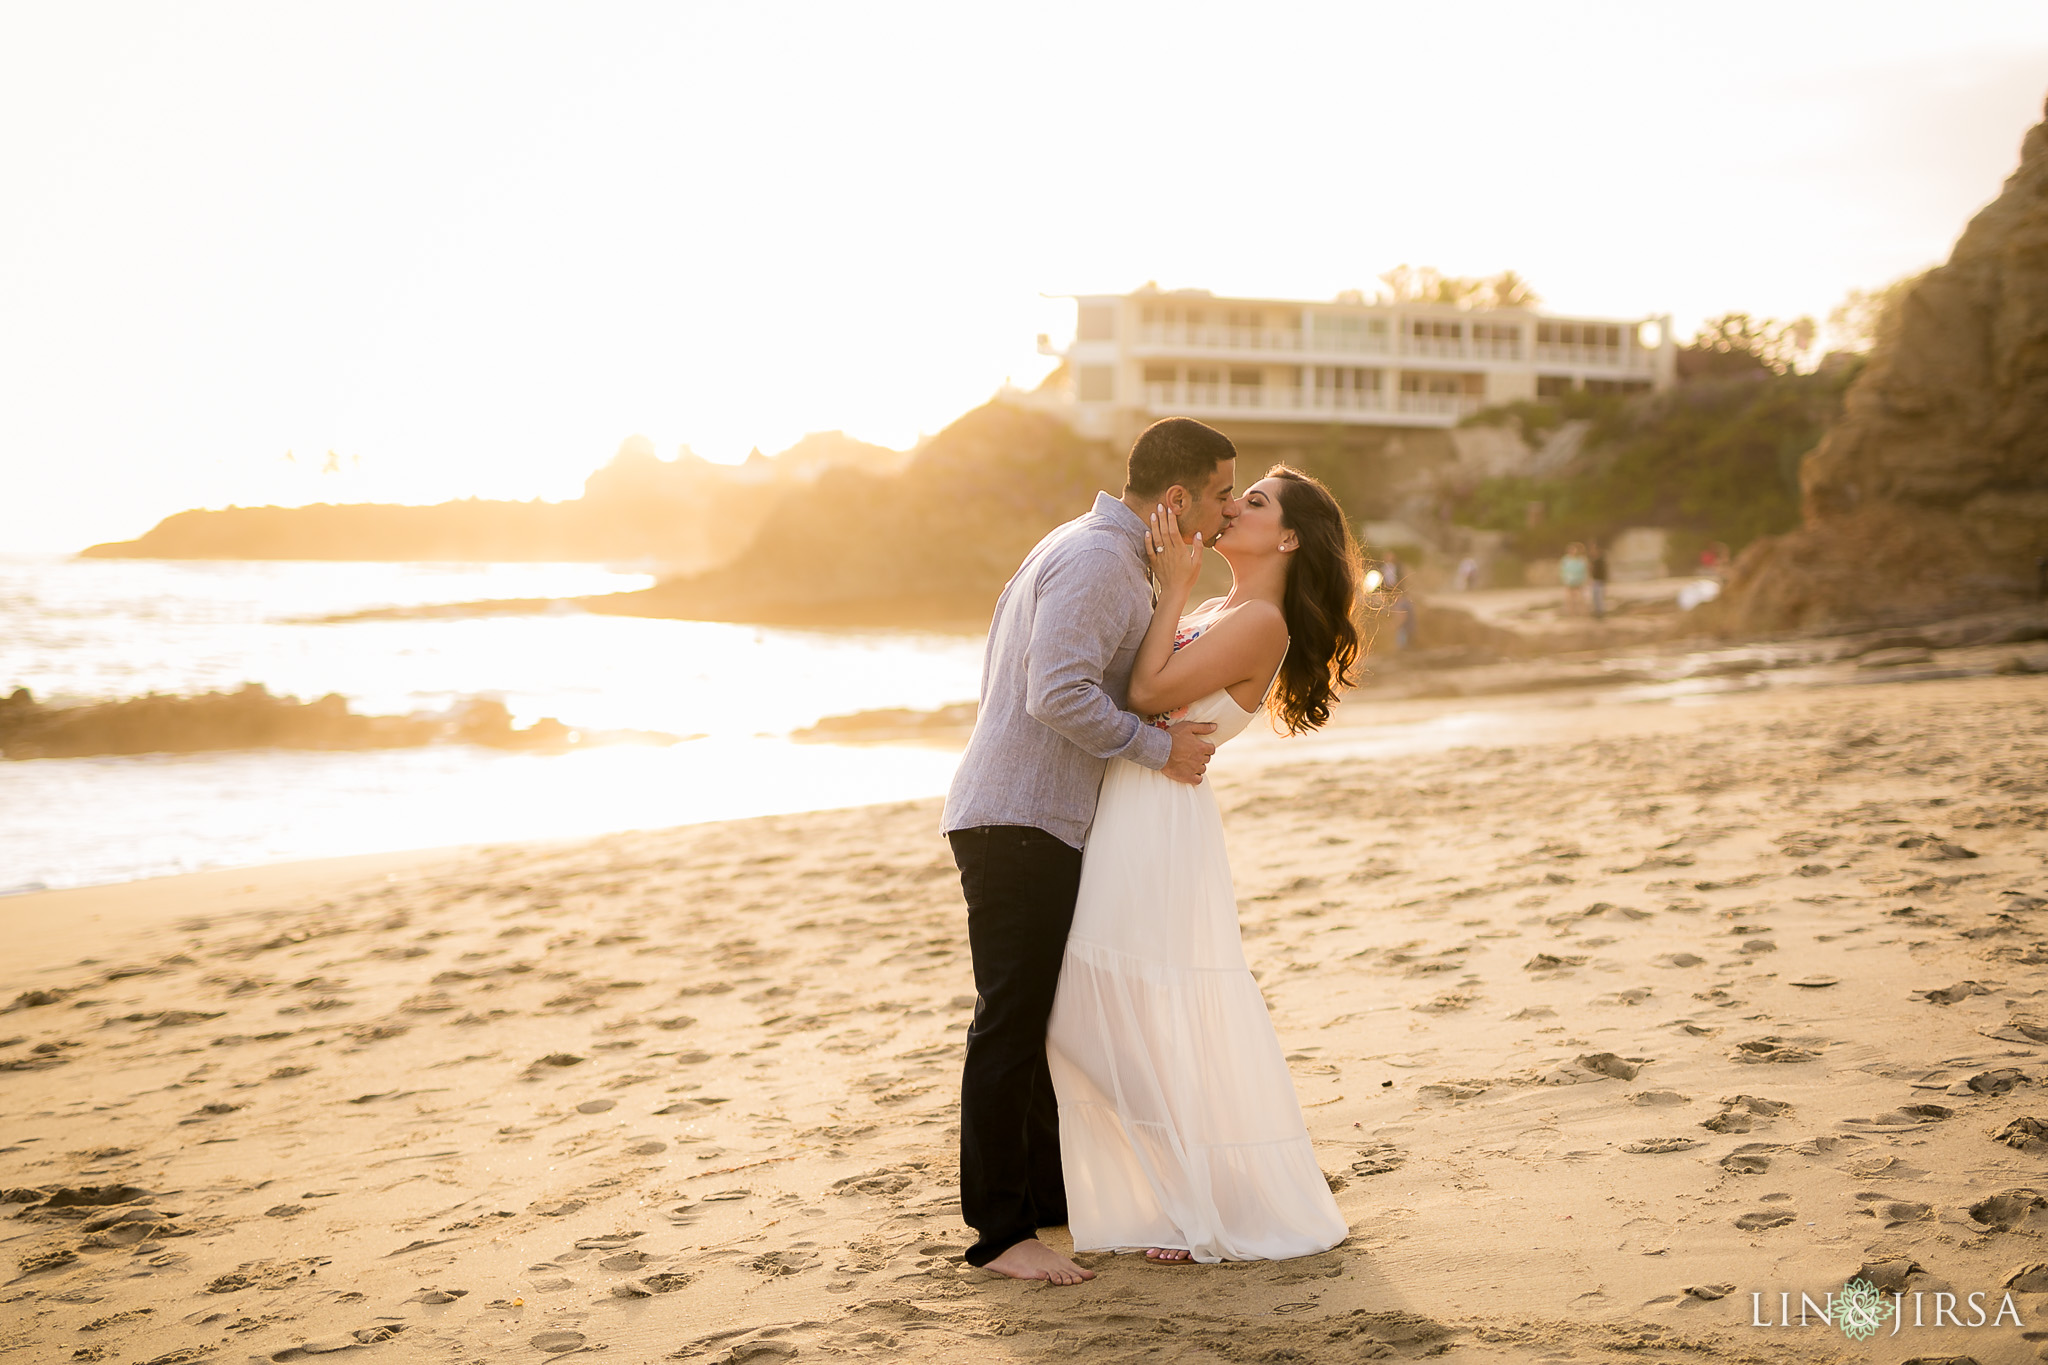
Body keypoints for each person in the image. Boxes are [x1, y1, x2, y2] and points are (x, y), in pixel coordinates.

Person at [941, 416, 1237, 1285]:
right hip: (1021, 819)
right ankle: (1001, 1235)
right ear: (1176, 497)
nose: (1224, 514)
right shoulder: (1103, 560)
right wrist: (1161, 749)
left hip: (1026, 814)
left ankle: (1041, 1199)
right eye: (1221, 494)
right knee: (1011, 1021)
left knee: (1037, 1019)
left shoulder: (1086, 546)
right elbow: (1054, 691)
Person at [1045, 464, 1363, 1264]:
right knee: (1104, 1011)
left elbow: (1148, 692)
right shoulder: (1228, 608)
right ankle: (1190, 1192)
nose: (1232, 507)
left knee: (1091, 1008)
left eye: (1253, 502)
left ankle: (1201, 1204)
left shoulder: (1261, 621)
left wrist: (1173, 585)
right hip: (1130, 805)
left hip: (1157, 821)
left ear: (1287, 536)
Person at [1559, 542, 1589, 616]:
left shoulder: (1581, 560)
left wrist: (1584, 580)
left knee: (1581, 599)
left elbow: (1584, 571)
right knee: (1569, 599)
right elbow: (1562, 571)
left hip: (1579, 581)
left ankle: (1583, 613)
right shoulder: (1565, 560)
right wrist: (1565, 580)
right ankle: (1571, 613)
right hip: (1569, 582)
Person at [1588, 541, 1609, 620]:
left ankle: (1600, 612)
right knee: (1595, 597)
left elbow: (1604, 571)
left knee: (1599, 597)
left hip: (1599, 580)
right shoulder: (1593, 559)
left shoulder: (1601, 559)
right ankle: (1597, 611)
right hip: (1595, 580)